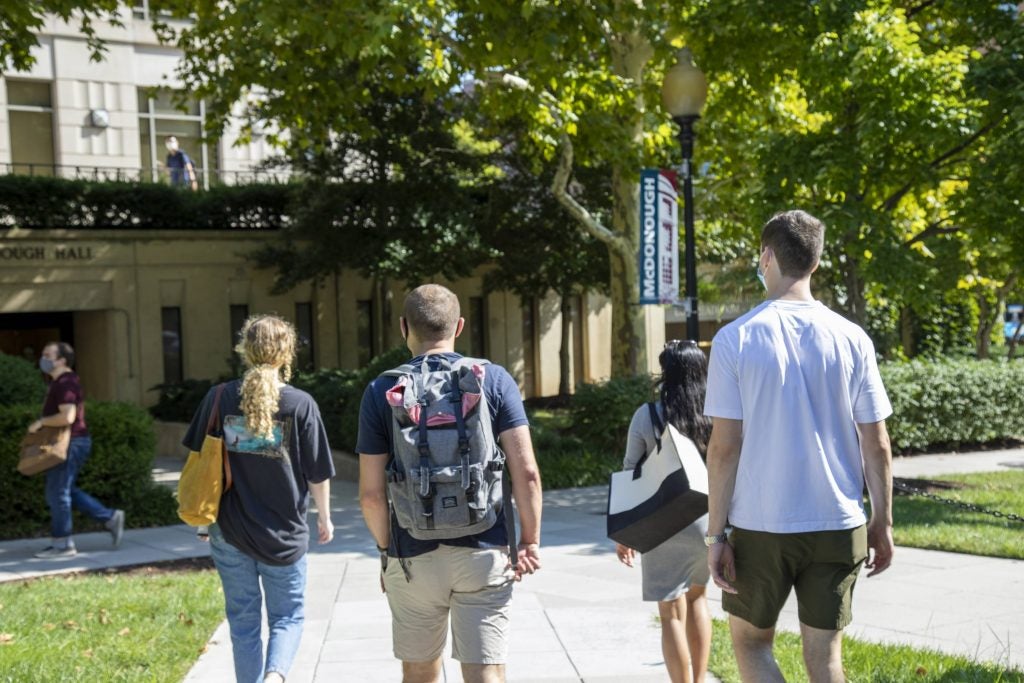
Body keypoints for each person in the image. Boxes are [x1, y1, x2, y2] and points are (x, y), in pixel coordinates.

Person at [703, 210, 894, 683]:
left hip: (759, 524)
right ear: (816, 261)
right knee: (826, 660)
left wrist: (715, 535)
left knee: (751, 644)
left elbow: (724, 449)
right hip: (838, 520)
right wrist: (882, 521)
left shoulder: (735, 339)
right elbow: (877, 443)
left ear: (766, 256)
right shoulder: (853, 338)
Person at [357, 284, 543, 683]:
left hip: (412, 554)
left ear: (403, 327)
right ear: (459, 326)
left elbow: (371, 495)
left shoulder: (380, 391)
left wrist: (387, 551)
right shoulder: (493, 380)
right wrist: (529, 540)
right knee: (486, 672)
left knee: (420, 673)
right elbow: (526, 471)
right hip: (486, 548)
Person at [184, 315, 335, 683]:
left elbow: (198, 460)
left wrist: (204, 520)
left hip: (229, 530)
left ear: (245, 350)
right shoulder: (300, 404)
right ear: (287, 353)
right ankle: (275, 677)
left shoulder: (219, 398)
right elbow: (317, 472)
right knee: (287, 617)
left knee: (243, 620)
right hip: (283, 533)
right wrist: (324, 518)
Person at [615, 340, 713, 683]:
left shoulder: (648, 415)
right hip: (707, 520)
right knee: (699, 600)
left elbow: (631, 471)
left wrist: (626, 532)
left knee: (671, 612)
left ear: (665, 374)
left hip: (662, 523)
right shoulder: (715, 413)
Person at [31, 341, 124, 559]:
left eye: (48, 355)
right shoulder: (61, 382)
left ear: (62, 360)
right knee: (64, 490)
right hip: (70, 442)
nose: (43, 358)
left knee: (58, 493)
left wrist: (41, 423)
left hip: (69, 443)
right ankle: (110, 518)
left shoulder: (65, 382)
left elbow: (68, 416)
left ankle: (63, 545)